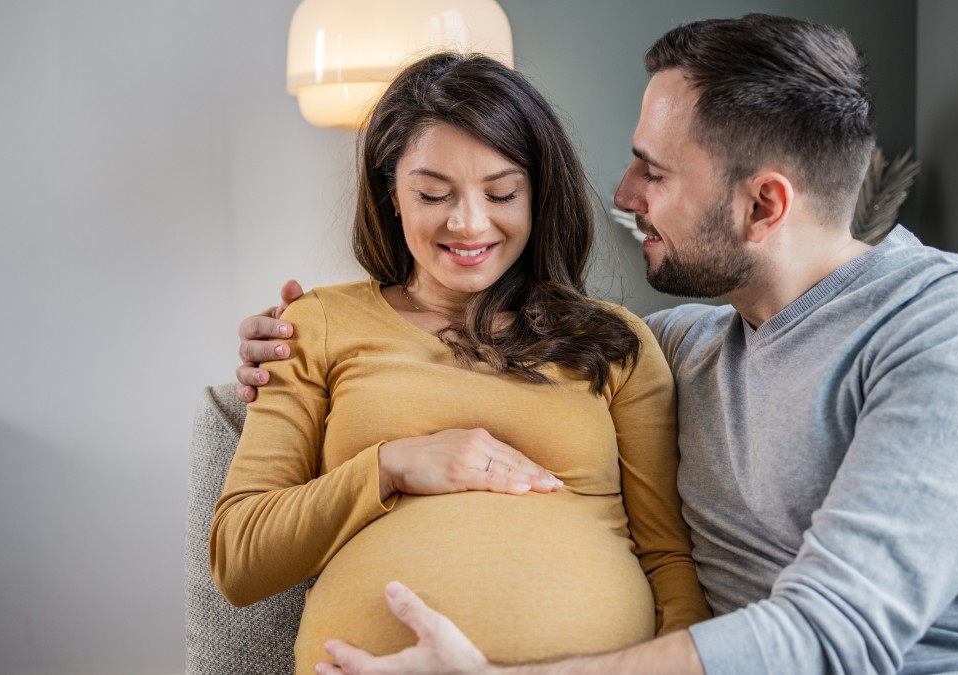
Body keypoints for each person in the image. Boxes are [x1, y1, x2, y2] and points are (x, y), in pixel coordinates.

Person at [237, 13, 958, 675]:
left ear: (763, 205)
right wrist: (293, 358)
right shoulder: (684, 345)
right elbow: (517, 368)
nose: (622, 190)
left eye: (654, 169)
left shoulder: (956, 326)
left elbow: (835, 636)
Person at [210, 52, 710, 674]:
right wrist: (391, 466)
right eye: (432, 193)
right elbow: (239, 560)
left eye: (501, 192)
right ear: (392, 194)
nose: (469, 223)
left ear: (537, 194)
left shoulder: (615, 342)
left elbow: (669, 560)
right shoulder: (314, 325)